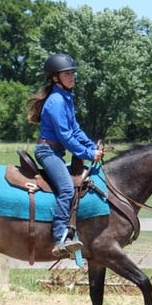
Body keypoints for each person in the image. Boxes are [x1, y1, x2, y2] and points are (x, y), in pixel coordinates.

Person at [26, 53, 103, 257]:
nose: (72, 77)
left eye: (72, 73)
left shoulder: (65, 99)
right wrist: (88, 153)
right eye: (67, 73)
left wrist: (91, 146)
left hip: (55, 152)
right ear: (55, 78)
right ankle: (60, 236)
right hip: (47, 152)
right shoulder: (56, 102)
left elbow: (75, 130)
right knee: (68, 189)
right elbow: (66, 137)